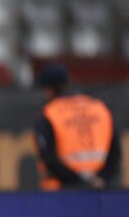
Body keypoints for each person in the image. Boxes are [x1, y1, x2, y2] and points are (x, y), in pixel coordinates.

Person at [33, 63, 121, 191]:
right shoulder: (99, 108)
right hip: (98, 191)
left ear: (49, 90)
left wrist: (79, 182)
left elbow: (49, 158)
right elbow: (115, 152)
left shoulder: (50, 114)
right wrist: (102, 179)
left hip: (61, 193)